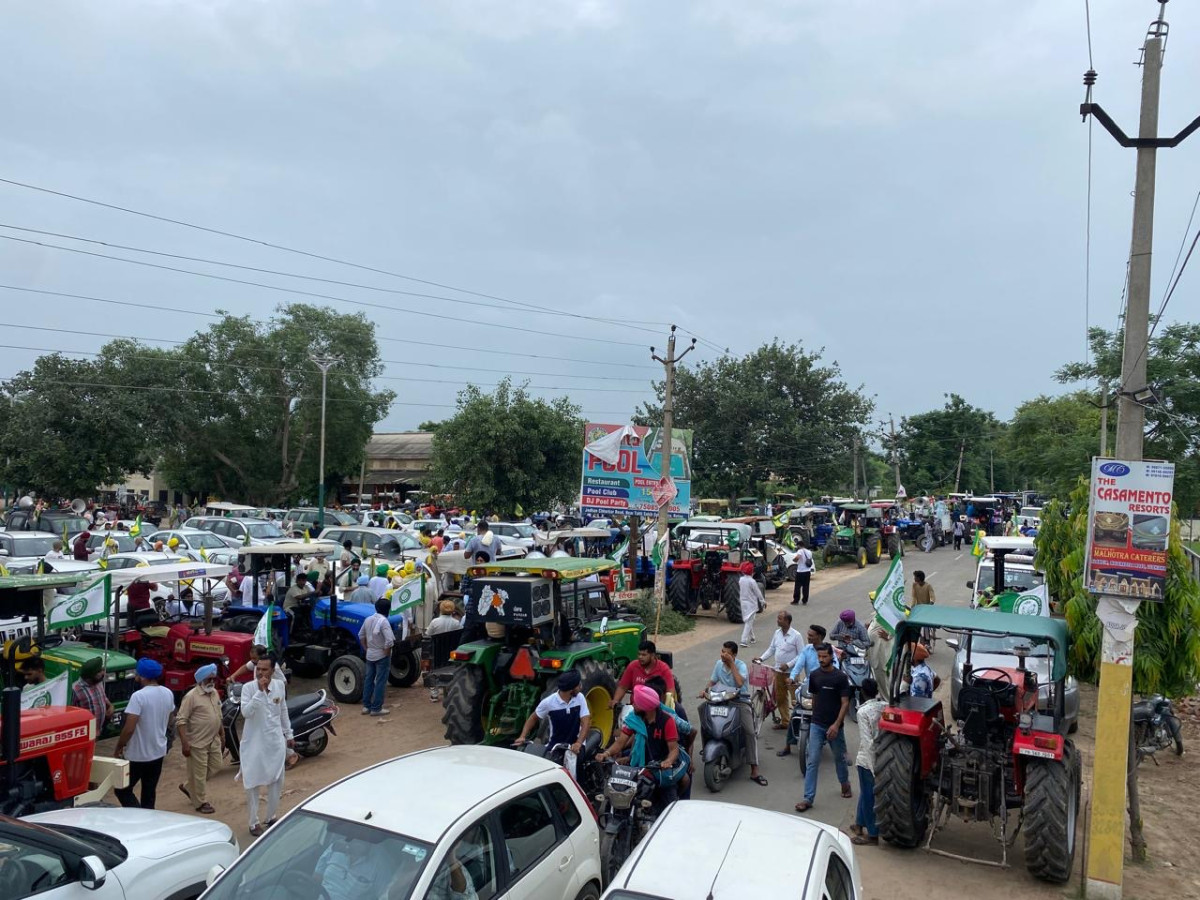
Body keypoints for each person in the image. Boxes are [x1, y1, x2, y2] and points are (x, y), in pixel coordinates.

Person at [598, 684, 686, 804]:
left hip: (659, 770)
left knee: (669, 804)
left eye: (636, 703)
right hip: (638, 769)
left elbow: (674, 749)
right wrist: (606, 753)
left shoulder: (667, 721)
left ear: (646, 707)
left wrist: (668, 761)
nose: (633, 705)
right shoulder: (634, 718)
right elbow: (620, 742)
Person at [239, 654, 295, 836]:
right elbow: (246, 713)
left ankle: (271, 816)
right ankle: (253, 822)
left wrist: (289, 733)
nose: (260, 673)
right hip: (254, 744)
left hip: (275, 742)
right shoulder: (248, 688)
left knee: (277, 780)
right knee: (252, 782)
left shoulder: (279, 685)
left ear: (272, 671)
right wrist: (259, 692)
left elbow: (283, 710)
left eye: (264, 669)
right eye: (258, 669)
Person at [794, 643, 852, 813]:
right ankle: (808, 798)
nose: (821, 660)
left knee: (839, 758)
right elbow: (815, 698)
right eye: (819, 657)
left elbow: (845, 703)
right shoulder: (814, 676)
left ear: (831, 657)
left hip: (835, 726)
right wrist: (814, 717)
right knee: (812, 761)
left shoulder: (841, 678)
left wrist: (836, 725)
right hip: (817, 724)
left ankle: (845, 783)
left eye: (824, 656)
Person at [699, 642, 766, 786]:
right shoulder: (718, 664)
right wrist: (705, 690)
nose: (723, 655)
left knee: (749, 732)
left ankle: (754, 769)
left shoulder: (741, 666)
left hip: (739, 701)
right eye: (722, 651)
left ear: (734, 655)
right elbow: (712, 681)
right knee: (703, 712)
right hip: (721, 700)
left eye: (727, 653)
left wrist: (732, 664)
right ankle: (706, 748)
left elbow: (740, 683)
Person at [114, 658, 175, 809]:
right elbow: (170, 719)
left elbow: (129, 728)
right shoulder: (167, 693)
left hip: (138, 754)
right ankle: (148, 817)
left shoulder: (138, 696)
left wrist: (119, 746)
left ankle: (137, 816)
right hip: (158, 751)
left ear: (142, 676)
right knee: (149, 792)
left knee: (122, 790)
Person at [176, 663, 225, 815]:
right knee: (199, 773)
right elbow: (181, 721)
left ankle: (189, 786)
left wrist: (222, 734)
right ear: (201, 680)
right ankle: (200, 802)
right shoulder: (191, 697)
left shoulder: (214, 693)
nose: (212, 682)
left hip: (213, 740)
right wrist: (185, 743)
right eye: (209, 679)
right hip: (197, 742)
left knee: (216, 766)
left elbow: (218, 715)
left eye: (214, 679)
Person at [513, 669, 590, 753]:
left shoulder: (580, 698)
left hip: (575, 747)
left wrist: (578, 743)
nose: (581, 687)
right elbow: (533, 718)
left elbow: (585, 722)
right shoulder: (548, 702)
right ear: (571, 690)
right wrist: (522, 736)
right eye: (578, 685)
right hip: (555, 747)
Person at [753, 609, 805, 729]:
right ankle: (785, 722)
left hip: (791, 673)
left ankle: (798, 722)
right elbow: (771, 649)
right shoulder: (777, 633)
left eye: (780, 619)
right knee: (780, 698)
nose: (777, 620)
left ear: (787, 621)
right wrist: (761, 658)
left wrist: (788, 665)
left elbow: (801, 655)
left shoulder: (796, 636)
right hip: (778, 671)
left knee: (795, 699)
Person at [851, 678, 885, 846]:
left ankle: (872, 834)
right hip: (882, 756)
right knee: (865, 794)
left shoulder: (862, 712)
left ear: (862, 693)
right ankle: (859, 823)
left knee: (869, 797)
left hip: (867, 760)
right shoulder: (884, 706)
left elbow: (867, 742)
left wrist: (873, 768)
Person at [611, 640, 675, 708]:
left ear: (653, 655)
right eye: (639, 654)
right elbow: (622, 687)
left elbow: (670, 693)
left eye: (644, 655)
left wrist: (665, 708)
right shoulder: (633, 666)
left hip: (655, 709)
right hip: (635, 709)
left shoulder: (663, 669)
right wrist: (615, 700)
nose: (640, 657)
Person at [358, 598, 394, 717]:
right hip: (381, 655)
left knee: (369, 680)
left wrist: (366, 648)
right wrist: (386, 653)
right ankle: (376, 708)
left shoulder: (368, 619)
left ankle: (366, 706)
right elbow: (389, 641)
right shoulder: (384, 622)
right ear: (388, 609)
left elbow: (361, 635)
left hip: (370, 654)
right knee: (380, 682)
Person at [72, 656, 114, 733]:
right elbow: (70, 714)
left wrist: (111, 706)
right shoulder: (75, 690)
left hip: (99, 731)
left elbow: (103, 697)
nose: (103, 673)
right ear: (91, 676)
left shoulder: (98, 682)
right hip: (86, 734)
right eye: (99, 671)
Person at [738, 561, 764, 647]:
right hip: (751, 604)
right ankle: (743, 640)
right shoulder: (752, 581)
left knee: (748, 621)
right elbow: (758, 592)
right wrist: (762, 601)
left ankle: (752, 637)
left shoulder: (741, 580)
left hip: (743, 603)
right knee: (749, 622)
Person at [866, 618, 893, 703]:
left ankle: (890, 702)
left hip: (885, 656)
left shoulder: (892, 618)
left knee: (887, 681)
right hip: (875, 656)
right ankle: (884, 700)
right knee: (880, 681)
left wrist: (888, 637)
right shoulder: (877, 616)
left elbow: (897, 634)